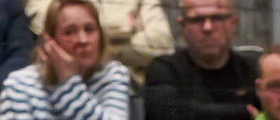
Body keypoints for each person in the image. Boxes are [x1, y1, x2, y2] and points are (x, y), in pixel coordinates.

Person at [0, 0, 130, 120]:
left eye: (89, 29)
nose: (83, 40)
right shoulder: (20, 84)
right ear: (50, 41)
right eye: (69, 32)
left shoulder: (113, 75)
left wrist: (68, 82)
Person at [144, 0, 257, 120]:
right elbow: (167, 115)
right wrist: (244, 113)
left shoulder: (251, 70)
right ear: (182, 25)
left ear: (234, 23)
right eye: (197, 20)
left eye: (217, 18)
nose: (207, 28)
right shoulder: (164, 69)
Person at [25, 0, 174, 80]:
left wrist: (108, 48)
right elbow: (47, 25)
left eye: (89, 30)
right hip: (59, 80)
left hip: (130, 87)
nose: (84, 39)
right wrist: (123, 33)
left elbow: (163, 42)